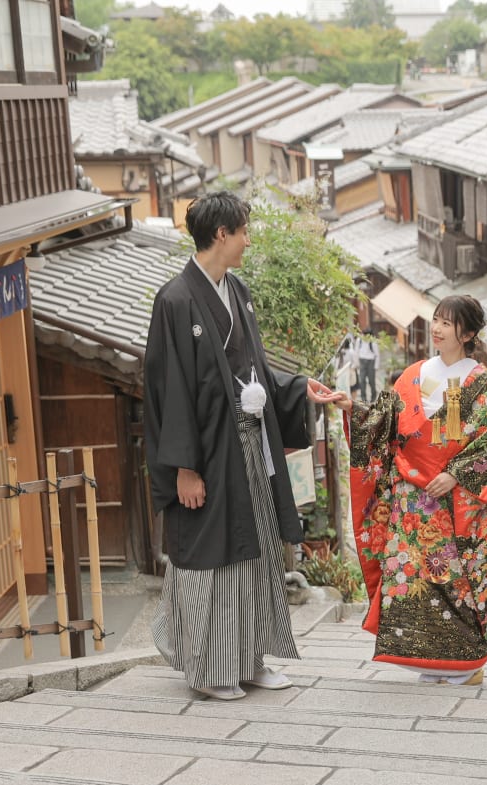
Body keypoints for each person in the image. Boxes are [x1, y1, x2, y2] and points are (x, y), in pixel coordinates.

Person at [143, 191, 335, 701]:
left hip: (249, 448)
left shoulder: (238, 290)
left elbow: (254, 370)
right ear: (221, 234)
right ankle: (209, 669)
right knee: (213, 558)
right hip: (206, 455)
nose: (249, 240)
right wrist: (183, 468)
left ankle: (248, 659)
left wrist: (298, 388)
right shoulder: (176, 300)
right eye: (244, 231)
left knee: (257, 551)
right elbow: (170, 391)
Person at [326, 295, 487, 685]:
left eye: (448, 323)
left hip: (455, 502)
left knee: (457, 580)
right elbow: (384, 423)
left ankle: (466, 662)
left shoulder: (479, 381)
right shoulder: (415, 374)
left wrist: (458, 474)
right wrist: (350, 408)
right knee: (412, 579)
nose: (438, 328)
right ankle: (428, 660)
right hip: (412, 499)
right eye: (436, 320)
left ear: (469, 333)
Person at [354, 332, 379, 403]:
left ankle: (373, 397)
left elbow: (377, 354)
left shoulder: (373, 341)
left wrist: (376, 366)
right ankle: (363, 398)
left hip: (371, 362)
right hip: (362, 361)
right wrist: (357, 364)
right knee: (362, 381)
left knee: (371, 381)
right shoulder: (359, 340)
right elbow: (356, 352)